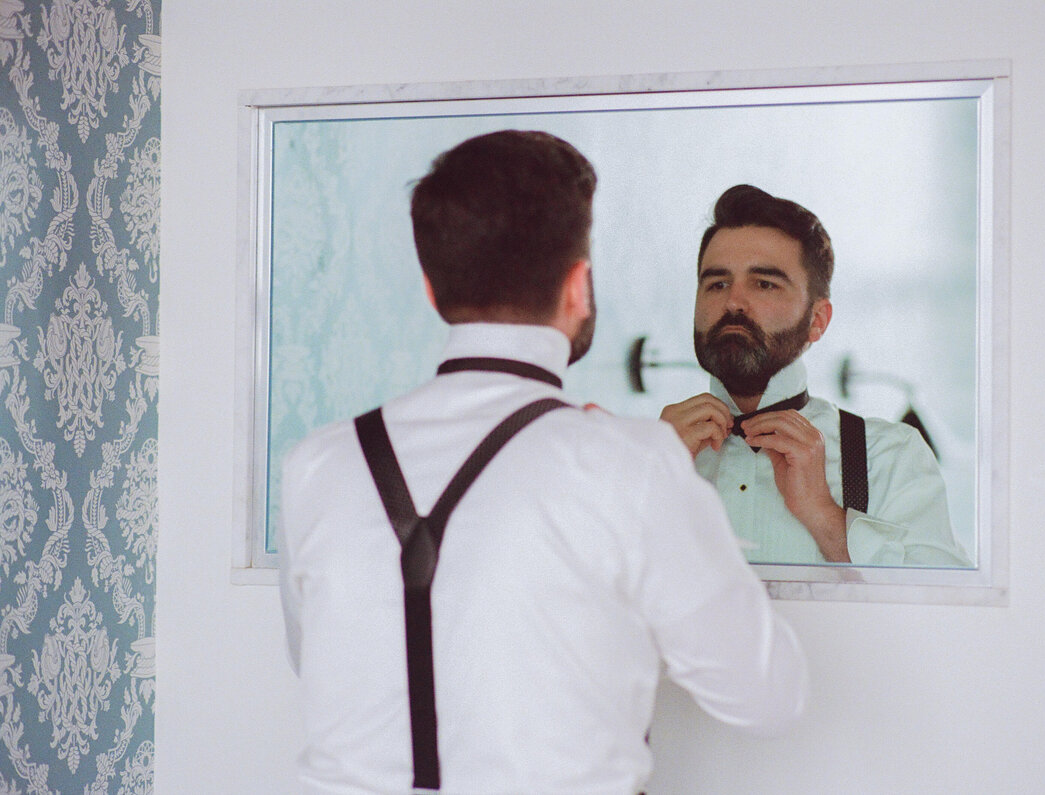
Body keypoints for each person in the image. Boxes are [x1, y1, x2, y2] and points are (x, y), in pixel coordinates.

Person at [279, 133, 808, 794]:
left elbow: (323, 659)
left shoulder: (316, 465)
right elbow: (769, 697)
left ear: (430, 288)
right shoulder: (632, 466)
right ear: (579, 285)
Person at [660, 184, 969, 568]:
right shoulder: (641, 456)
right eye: (717, 283)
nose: (733, 302)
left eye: (764, 283)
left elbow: (944, 616)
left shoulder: (890, 456)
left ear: (817, 321)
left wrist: (825, 516)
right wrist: (648, 485)